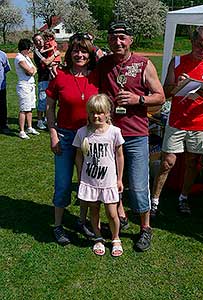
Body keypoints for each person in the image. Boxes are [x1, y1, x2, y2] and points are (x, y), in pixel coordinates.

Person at [96, 20, 165, 251]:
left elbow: (160, 96)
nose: (118, 42)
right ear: (108, 40)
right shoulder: (103, 64)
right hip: (110, 135)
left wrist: (139, 99)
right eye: (114, 37)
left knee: (137, 184)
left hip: (136, 134)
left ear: (130, 39)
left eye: (123, 37)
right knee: (113, 182)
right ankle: (122, 217)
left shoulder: (143, 64)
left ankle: (145, 228)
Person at [151, 27, 203, 217]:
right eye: (200, 46)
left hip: (199, 123)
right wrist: (178, 85)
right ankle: (154, 201)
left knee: (193, 162)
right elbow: (165, 93)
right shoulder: (178, 61)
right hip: (177, 121)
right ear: (192, 42)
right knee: (167, 162)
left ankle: (183, 198)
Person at [46, 33, 98, 245]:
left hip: (91, 136)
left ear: (90, 54)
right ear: (70, 54)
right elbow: (50, 107)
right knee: (63, 182)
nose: (79, 55)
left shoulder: (96, 76)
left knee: (88, 181)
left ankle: (82, 221)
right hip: (66, 136)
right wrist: (53, 133)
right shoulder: (60, 76)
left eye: (84, 51)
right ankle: (58, 225)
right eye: (76, 50)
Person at [73, 94, 124, 256]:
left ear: (108, 113)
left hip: (108, 182)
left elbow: (119, 156)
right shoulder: (82, 133)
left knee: (112, 212)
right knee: (93, 211)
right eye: (93, 112)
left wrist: (119, 178)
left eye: (100, 112)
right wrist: (80, 176)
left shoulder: (114, 132)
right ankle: (98, 237)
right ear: (88, 114)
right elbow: (79, 156)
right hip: (90, 181)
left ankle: (116, 238)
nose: (96, 116)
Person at [32, 33, 60, 130]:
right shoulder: (37, 52)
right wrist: (55, 54)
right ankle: (39, 121)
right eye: (37, 41)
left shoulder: (45, 49)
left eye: (41, 39)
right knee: (42, 101)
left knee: (50, 101)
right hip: (43, 79)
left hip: (50, 78)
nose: (40, 42)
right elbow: (47, 62)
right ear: (35, 43)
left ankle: (45, 119)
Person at [14, 38, 39, 139]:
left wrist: (32, 70)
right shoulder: (19, 58)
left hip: (31, 85)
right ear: (24, 48)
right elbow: (30, 71)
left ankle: (29, 127)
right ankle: (22, 131)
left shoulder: (26, 57)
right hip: (24, 85)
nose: (30, 50)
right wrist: (32, 70)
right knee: (24, 109)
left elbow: (34, 69)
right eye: (29, 48)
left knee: (30, 108)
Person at [0, 49, 11, 133]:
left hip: (1, 86)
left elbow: (7, 68)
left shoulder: (2, 55)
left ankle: (3, 125)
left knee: (2, 106)